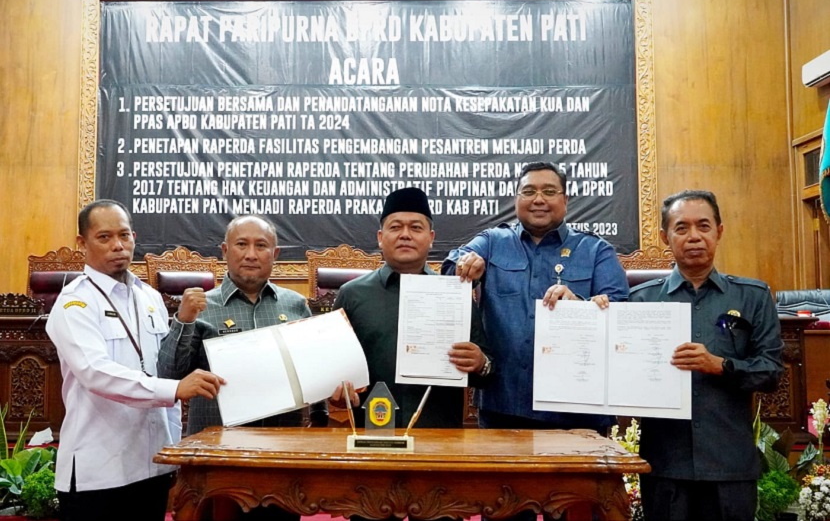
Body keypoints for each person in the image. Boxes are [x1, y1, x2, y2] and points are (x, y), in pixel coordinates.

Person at [46, 199, 224, 521]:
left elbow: (161, 366)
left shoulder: (150, 298)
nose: (118, 245)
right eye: (104, 237)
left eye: (124, 236)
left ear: (134, 237)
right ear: (81, 243)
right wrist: (173, 389)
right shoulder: (74, 303)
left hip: (151, 464)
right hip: (98, 470)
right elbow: (95, 373)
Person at [629, 190, 783, 521]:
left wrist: (721, 366)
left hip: (730, 465)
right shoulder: (639, 302)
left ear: (719, 231)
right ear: (664, 237)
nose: (694, 236)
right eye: (681, 227)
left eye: (703, 226)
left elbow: (770, 372)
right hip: (666, 465)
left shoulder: (753, 297)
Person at [442, 161, 628, 432]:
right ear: (517, 199)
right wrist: (466, 265)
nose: (538, 199)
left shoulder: (596, 250)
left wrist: (580, 308)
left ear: (565, 200)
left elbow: (621, 316)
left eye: (549, 192)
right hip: (503, 408)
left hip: (578, 414)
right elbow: (449, 269)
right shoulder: (493, 242)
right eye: (529, 192)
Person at [331, 187, 493, 429]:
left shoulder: (454, 294)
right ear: (379, 237)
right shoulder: (352, 294)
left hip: (439, 434)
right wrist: (337, 386)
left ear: (431, 238)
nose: (405, 235)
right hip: (370, 434)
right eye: (395, 227)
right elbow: (334, 367)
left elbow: (488, 371)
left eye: (416, 228)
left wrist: (481, 363)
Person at [158, 214, 327, 435]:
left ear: (275, 254)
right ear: (225, 251)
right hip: (215, 445)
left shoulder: (295, 305)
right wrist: (184, 321)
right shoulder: (200, 308)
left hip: (283, 442)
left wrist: (320, 415)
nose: (250, 255)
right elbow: (169, 375)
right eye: (241, 244)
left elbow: (312, 369)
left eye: (261, 246)